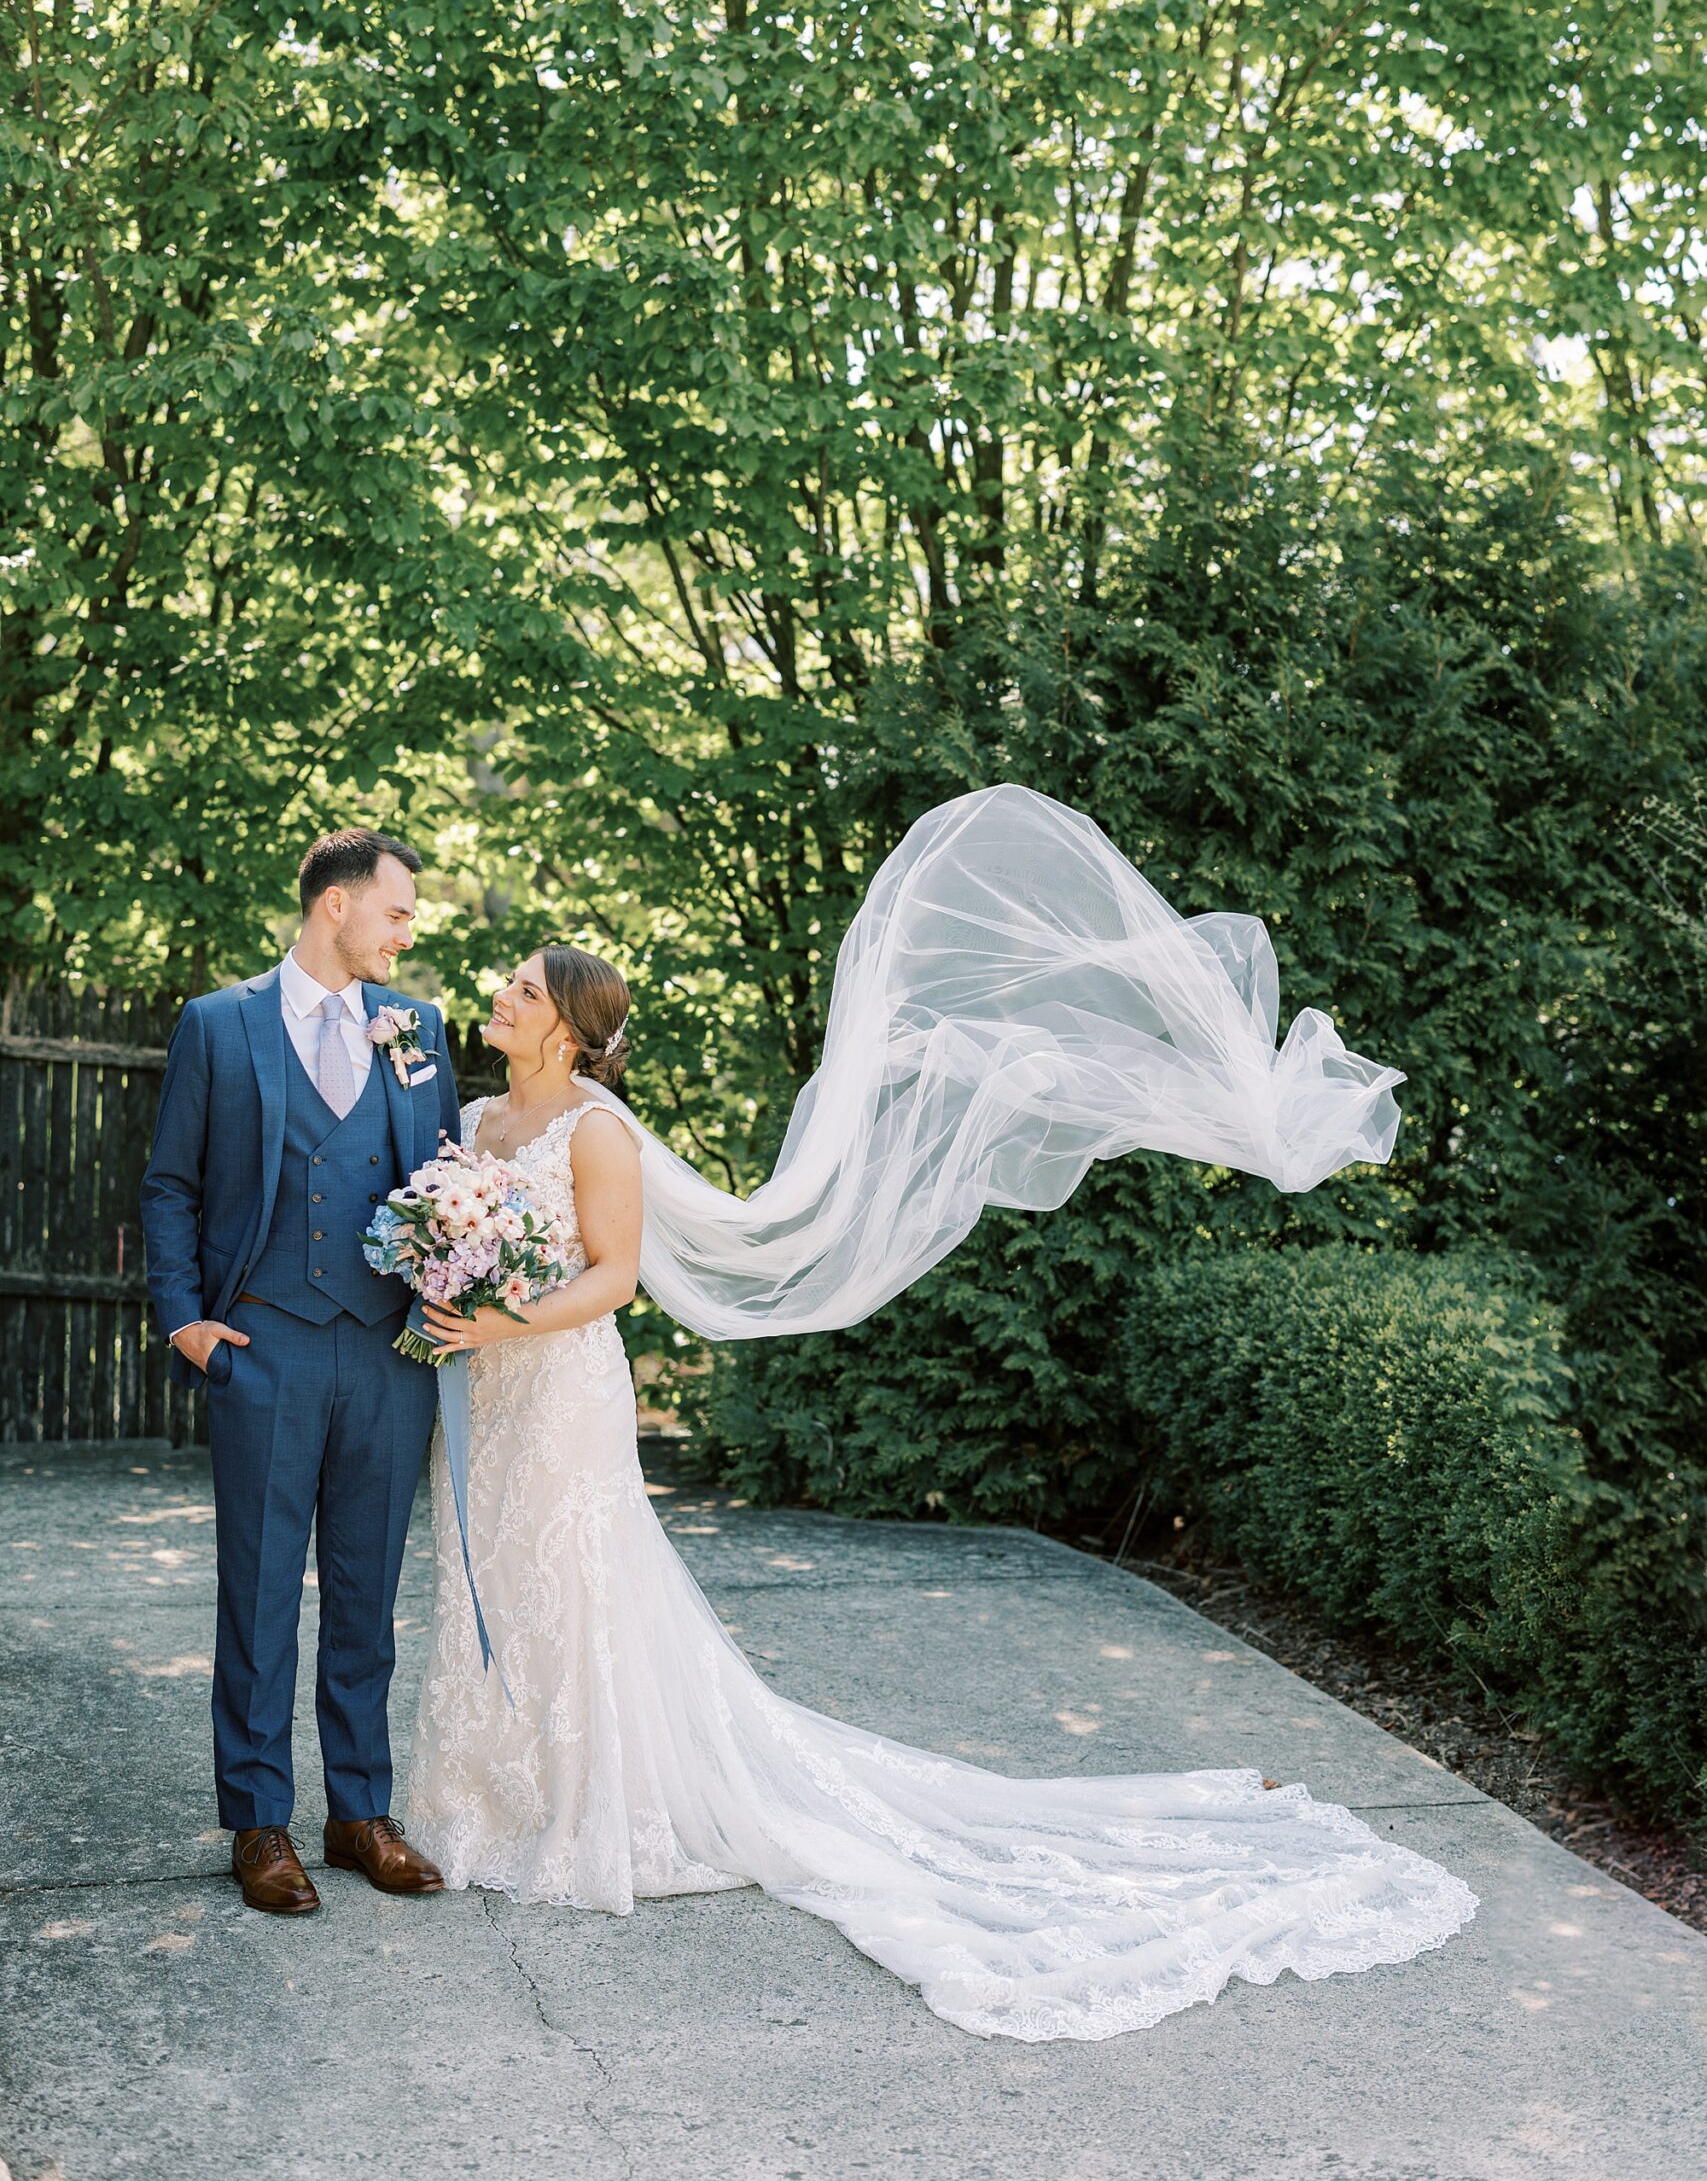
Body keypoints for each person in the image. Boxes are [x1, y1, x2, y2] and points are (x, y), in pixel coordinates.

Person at [404, 785, 1479, 2043]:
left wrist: (497, 1320)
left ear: (574, 1029)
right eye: (512, 983)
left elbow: (614, 1279)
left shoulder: (599, 1131)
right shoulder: (476, 1118)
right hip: (482, 1386)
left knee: (573, 1579)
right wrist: (452, 1288)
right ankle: (492, 1793)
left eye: (526, 987)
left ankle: (591, 1806)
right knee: (488, 1573)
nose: (502, 993)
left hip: (556, 1380)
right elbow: (459, 1230)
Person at [141, 828, 460, 1914]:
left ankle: (360, 1812)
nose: (407, 932)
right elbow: (170, 1185)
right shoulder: (219, 1024)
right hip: (264, 1346)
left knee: (368, 1596)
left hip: (387, 1352)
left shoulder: (417, 1029)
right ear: (336, 904)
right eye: (398, 911)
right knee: (261, 1591)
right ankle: (260, 1822)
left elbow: (447, 1180)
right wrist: (186, 1320)